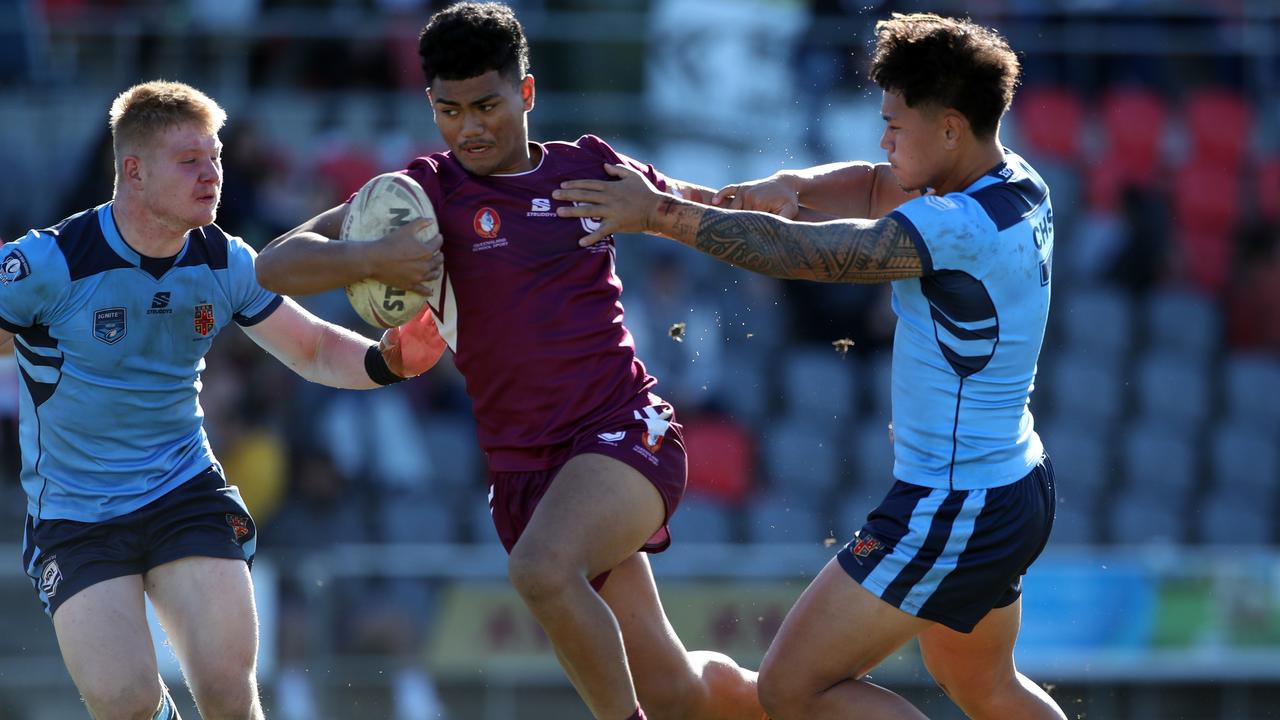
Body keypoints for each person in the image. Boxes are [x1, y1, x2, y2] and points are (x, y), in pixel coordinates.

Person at [254, 4, 764, 720]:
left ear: (526, 93)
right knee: (674, 690)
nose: (470, 127)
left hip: (624, 433)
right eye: (449, 109)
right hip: (528, 475)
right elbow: (276, 265)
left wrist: (698, 209)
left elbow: (710, 215)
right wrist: (368, 256)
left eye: (488, 104)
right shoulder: (424, 195)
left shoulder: (589, 169)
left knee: (541, 570)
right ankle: (785, 700)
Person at [555, 12, 1067, 720]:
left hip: (955, 504)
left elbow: (814, 255)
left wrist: (661, 215)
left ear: (950, 127)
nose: (883, 138)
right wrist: (790, 183)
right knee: (986, 687)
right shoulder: (1015, 183)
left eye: (895, 123)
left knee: (791, 688)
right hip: (1013, 484)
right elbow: (872, 185)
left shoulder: (957, 226)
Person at [0, 80, 444, 720]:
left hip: (183, 491)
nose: (212, 175)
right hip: (75, 516)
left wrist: (386, 359)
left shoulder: (224, 259)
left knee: (229, 693)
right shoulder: (51, 264)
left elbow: (312, 348)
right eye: (190, 162)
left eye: (215, 157)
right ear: (133, 170)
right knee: (125, 704)